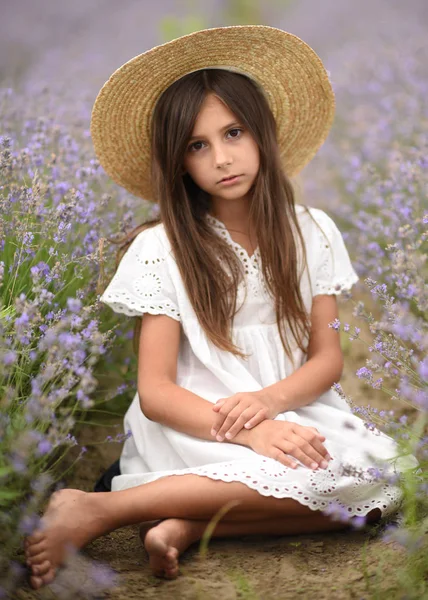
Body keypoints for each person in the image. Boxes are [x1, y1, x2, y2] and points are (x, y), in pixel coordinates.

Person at [24, 25, 418, 590]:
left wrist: (269, 405)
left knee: (384, 481)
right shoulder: (161, 248)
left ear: (262, 134)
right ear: (179, 162)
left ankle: (181, 522)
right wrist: (249, 433)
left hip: (290, 411)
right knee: (326, 483)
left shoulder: (313, 233)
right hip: (198, 423)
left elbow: (326, 358)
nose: (222, 158)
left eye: (233, 132)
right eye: (197, 144)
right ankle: (101, 508)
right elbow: (157, 392)